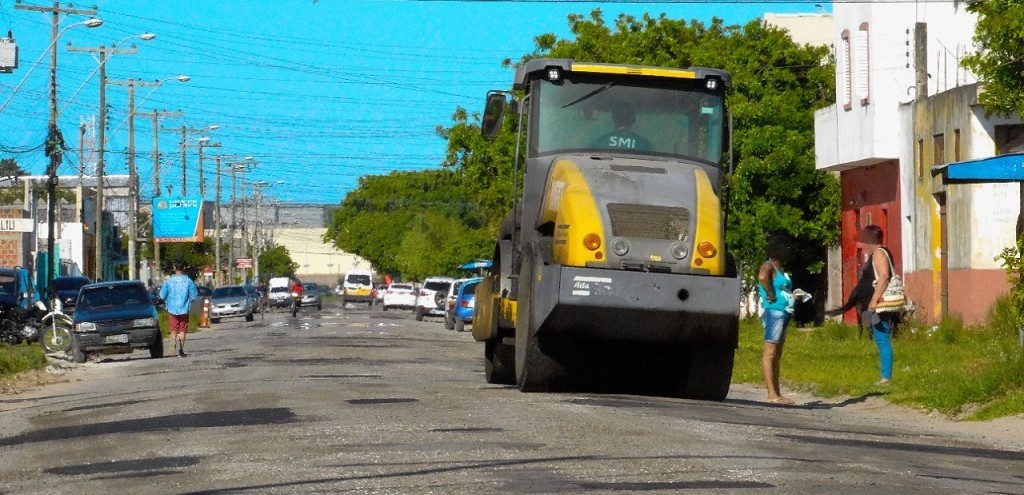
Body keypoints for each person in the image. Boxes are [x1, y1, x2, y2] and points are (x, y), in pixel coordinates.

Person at [757, 236, 796, 405]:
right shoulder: (768, 265)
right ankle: (771, 394)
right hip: (774, 311)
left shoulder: (781, 269)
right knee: (770, 352)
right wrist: (770, 294)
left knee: (777, 354)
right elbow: (762, 277)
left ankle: (777, 392)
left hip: (785, 311)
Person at [160, 262, 198, 357]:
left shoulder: (168, 281)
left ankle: (173, 341)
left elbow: (162, 295)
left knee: (173, 329)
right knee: (182, 331)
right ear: (183, 268)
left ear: (174, 268)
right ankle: (181, 350)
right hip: (184, 309)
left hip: (172, 309)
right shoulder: (188, 281)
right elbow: (194, 295)